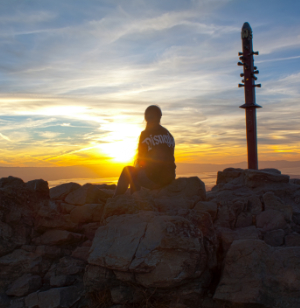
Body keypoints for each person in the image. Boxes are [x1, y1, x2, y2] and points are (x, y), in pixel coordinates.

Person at [114, 105, 176, 196]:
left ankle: (119, 198)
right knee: (138, 172)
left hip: (154, 179)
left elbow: (140, 161)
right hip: (170, 179)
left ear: (146, 118)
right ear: (160, 117)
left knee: (128, 171)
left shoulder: (146, 134)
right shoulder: (169, 135)